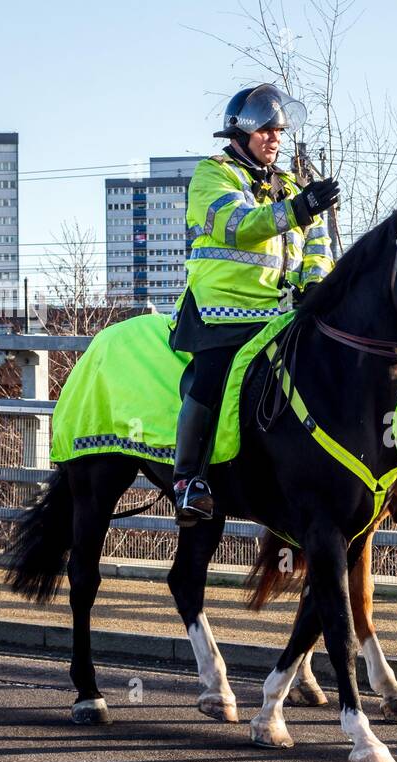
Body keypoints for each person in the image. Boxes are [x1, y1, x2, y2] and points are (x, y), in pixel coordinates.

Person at [170, 83, 339, 526]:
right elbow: (236, 225)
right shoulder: (214, 174)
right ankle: (189, 481)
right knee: (213, 377)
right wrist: (297, 209)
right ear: (239, 134)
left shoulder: (288, 185)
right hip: (221, 311)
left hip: (280, 314)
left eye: (279, 132)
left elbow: (318, 244)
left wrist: (314, 284)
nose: (275, 139)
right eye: (266, 131)